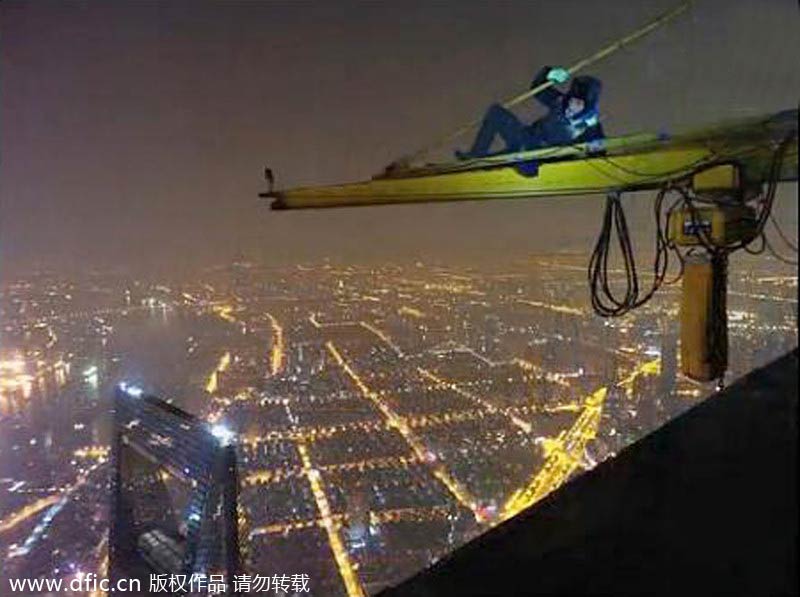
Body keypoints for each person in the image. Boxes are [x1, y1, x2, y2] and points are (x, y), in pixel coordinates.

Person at [455, 65, 605, 161]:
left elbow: (598, 153)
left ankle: (511, 160)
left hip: (541, 155)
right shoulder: (559, 102)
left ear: (587, 107)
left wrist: (593, 138)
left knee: (512, 160)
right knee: (496, 112)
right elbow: (537, 89)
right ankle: (476, 155)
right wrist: (549, 74)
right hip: (526, 139)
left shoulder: (589, 125)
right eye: (572, 101)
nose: (572, 107)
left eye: (579, 104)